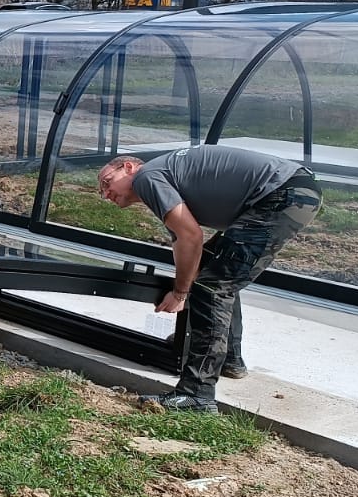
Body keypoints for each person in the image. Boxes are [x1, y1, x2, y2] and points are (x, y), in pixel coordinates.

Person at [96, 145, 322, 412]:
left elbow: (191, 237)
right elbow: (185, 242)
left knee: (212, 288)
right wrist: (184, 284)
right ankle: (227, 359)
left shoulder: (147, 177)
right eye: (101, 190)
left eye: (107, 182)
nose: (105, 193)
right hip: (290, 190)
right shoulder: (163, 177)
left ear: (130, 168)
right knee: (215, 271)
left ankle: (197, 394)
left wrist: (180, 293)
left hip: (281, 194)